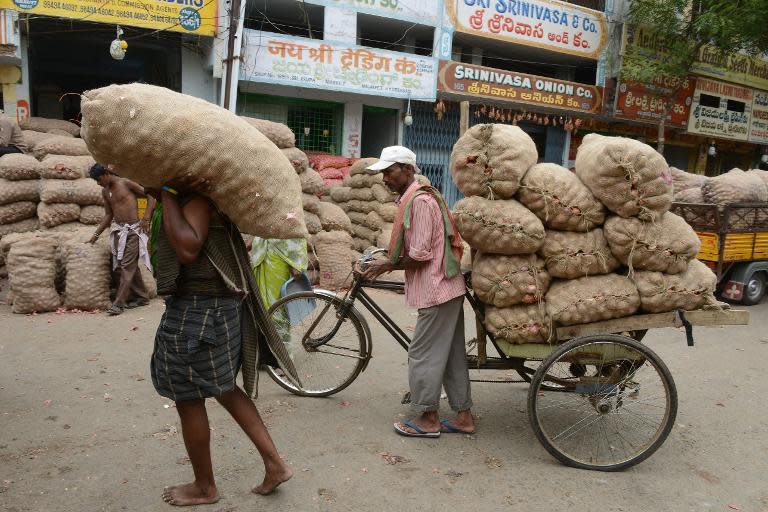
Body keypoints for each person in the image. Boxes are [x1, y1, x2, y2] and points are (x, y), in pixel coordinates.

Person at [147, 175, 298, 506]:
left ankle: (205, 487)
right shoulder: (197, 198)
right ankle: (275, 464)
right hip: (212, 311)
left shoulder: (195, 200)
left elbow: (188, 247)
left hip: (198, 314)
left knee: (188, 397)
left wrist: (167, 194)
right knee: (224, 387)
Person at [362, 146, 476, 438]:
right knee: (450, 356)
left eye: (390, 171)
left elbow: (421, 253)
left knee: (421, 354)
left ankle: (428, 419)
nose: (385, 178)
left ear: (408, 170)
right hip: (446, 289)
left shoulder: (421, 201)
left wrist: (388, 264)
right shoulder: (414, 197)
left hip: (437, 290)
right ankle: (463, 417)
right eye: (383, 173)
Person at [88, 164, 154, 315]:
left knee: (127, 266)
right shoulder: (105, 192)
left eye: (99, 179)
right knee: (120, 266)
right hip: (119, 231)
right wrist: (94, 236)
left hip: (135, 230)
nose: (98, 183)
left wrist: (147, 218)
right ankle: (142, 297)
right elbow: (108, 215)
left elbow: (151, 195)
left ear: (106, 173)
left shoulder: (125, 183)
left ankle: (118, 304)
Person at [249, 237, 308, 356]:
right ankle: (263, 355)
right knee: (258, 309)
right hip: (261, 253)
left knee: (278, 312)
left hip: (280, 257)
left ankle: (282, 356)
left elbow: (296, 225)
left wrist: (297, 262)